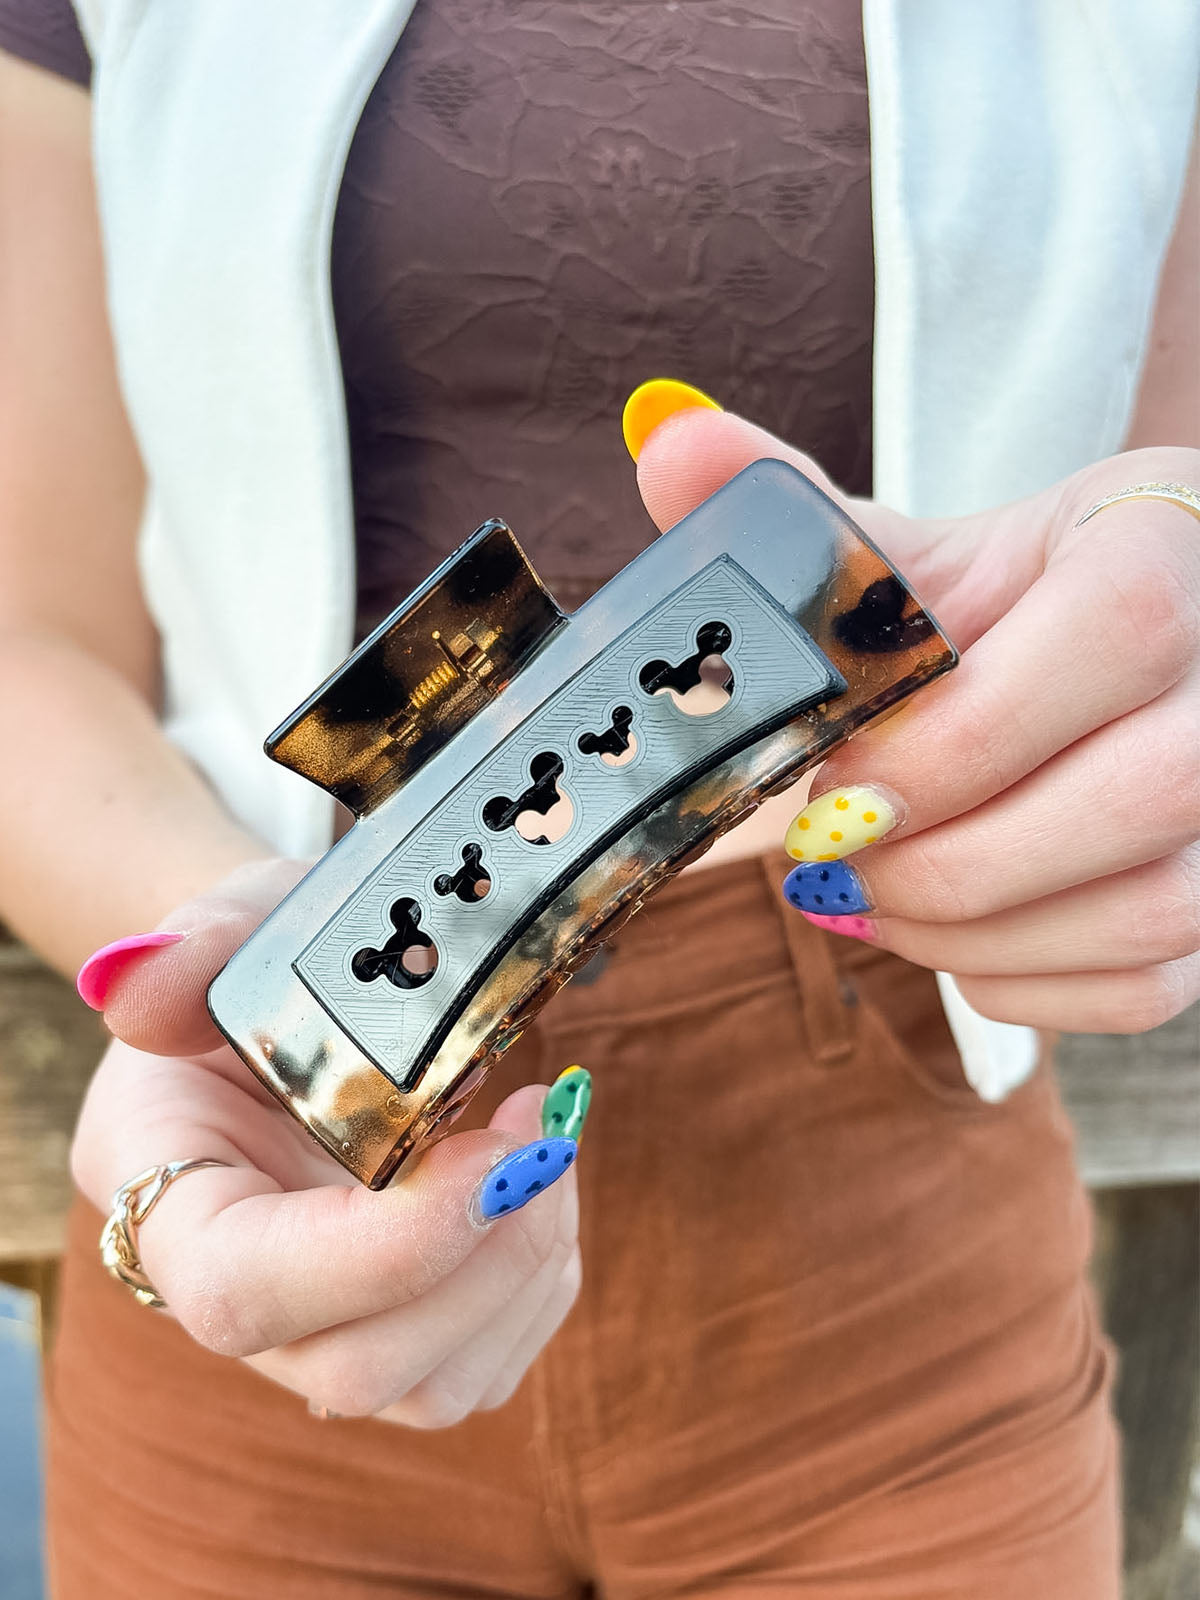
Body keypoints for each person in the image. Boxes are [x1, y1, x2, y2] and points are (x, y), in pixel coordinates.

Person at [0, 2, 1197, 1595]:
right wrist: (222, 988)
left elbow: (1168, 475)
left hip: (881, 1178)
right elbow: (27, 630)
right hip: (281, 1148)